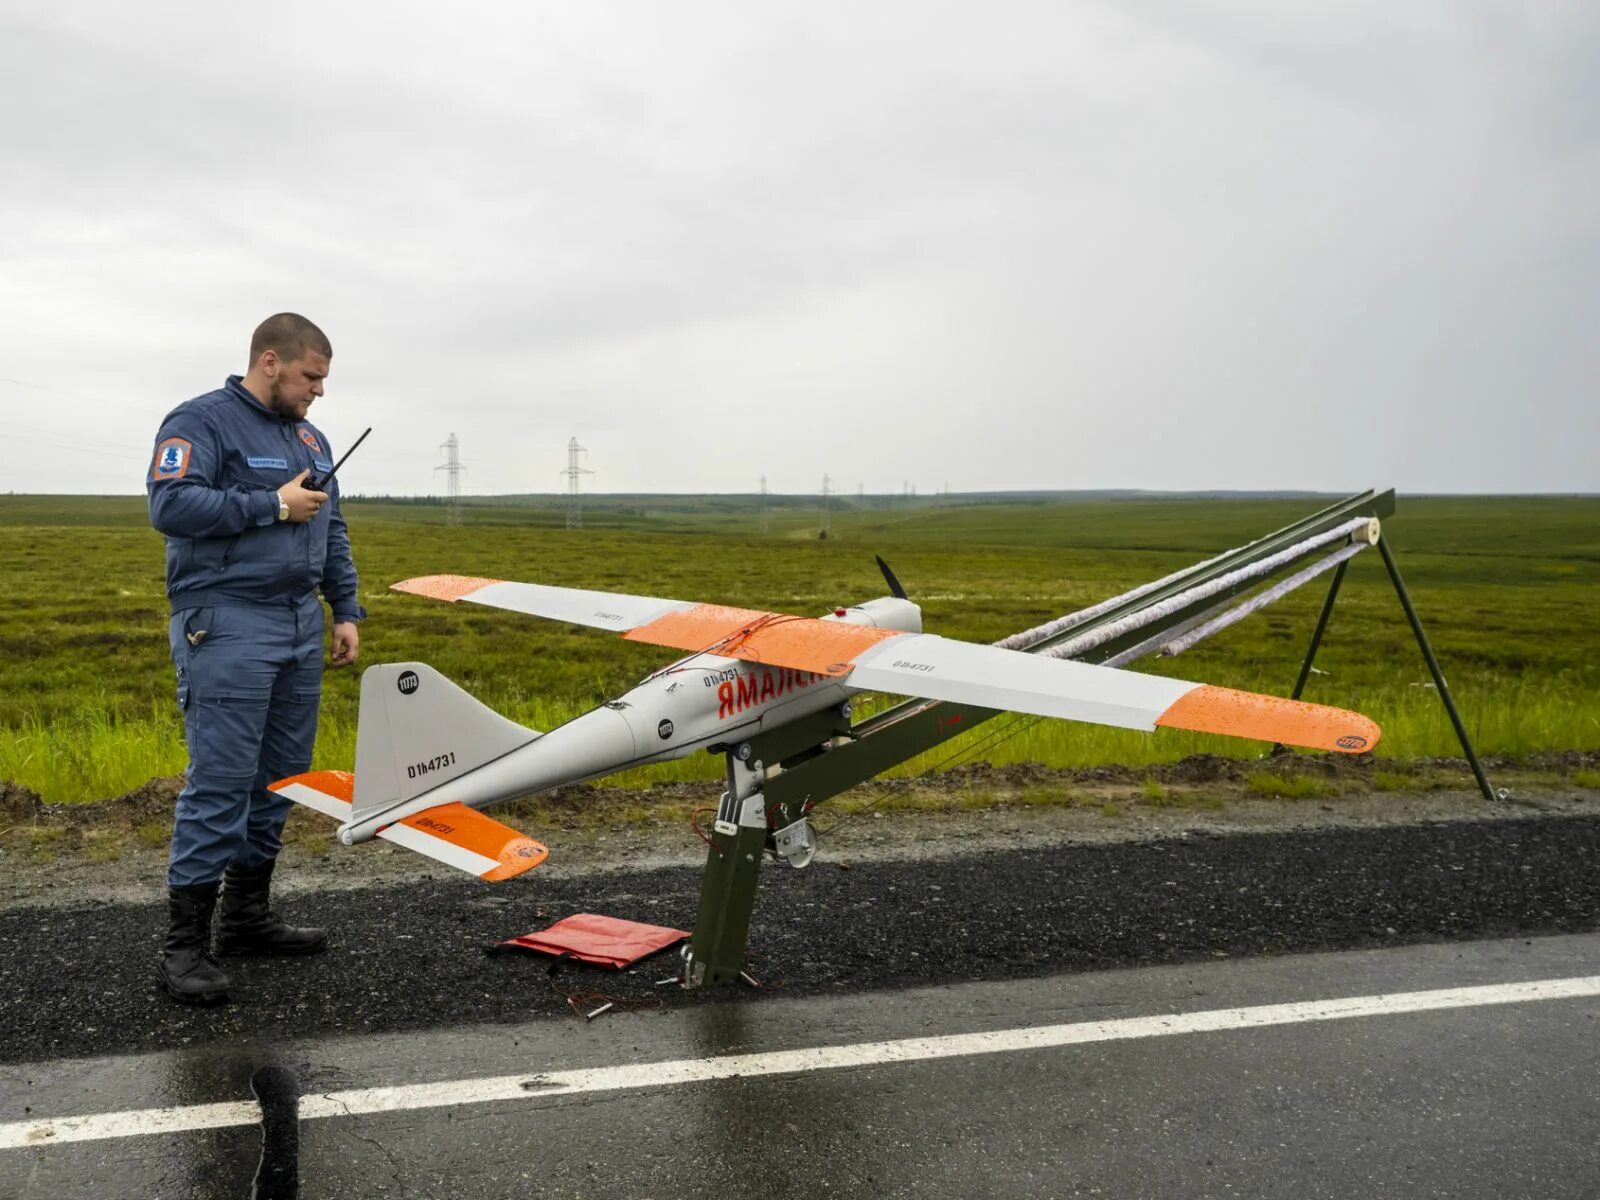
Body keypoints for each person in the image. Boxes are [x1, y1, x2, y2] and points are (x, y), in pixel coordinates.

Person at [146, 313, 364, 1004]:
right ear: (270, 361)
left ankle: (245, 919)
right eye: (311, 376)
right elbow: (171, 504)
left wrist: (346, 608)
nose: (319, 392)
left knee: (281, 779)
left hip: (299, 624)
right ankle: (184, 948)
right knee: (221, 783)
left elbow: (333, 524)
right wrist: (272, 504)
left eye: (324, 380)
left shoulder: (310, 437)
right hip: (228, 624)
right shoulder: (201, 422)